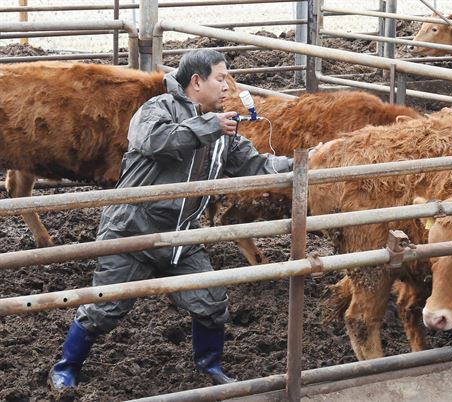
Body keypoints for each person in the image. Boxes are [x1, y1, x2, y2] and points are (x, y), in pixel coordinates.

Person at [49, 49, 293, 389]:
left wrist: (304, 164)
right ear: (196, 81)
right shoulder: (157, 109)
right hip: (131, 232)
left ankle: (209, 364)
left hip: (180, 236)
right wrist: (209, 126)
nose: (228, 87)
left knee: (211, 301)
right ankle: (65, 367)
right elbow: (154, 141)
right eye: (220, 79)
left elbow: (258, 165)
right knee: (104, 308)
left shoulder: (222, 128)